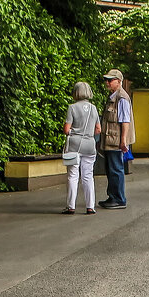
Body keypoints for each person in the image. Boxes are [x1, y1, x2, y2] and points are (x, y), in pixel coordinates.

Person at [62, 81, 101, 215]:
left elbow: (67, 130)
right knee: (88, 175)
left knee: (73, 175)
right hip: (90, 145)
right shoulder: (93, 108)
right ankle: (90, 206)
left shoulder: (72, 108)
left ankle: (70, 206)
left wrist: (74, 131)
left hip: (74, 146)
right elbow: (98, 129)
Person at [99, 68, 134, 209]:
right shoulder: (113, 96)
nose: (107, 82)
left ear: (118, 81)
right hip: (111, 139)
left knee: (116, 169)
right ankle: (113, 196)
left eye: (110, 80)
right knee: (111, 168)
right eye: (106, 80)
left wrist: (123, 141)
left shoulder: (122, 98)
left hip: (116, 140)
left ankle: (119, 199)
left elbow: (125, 120)